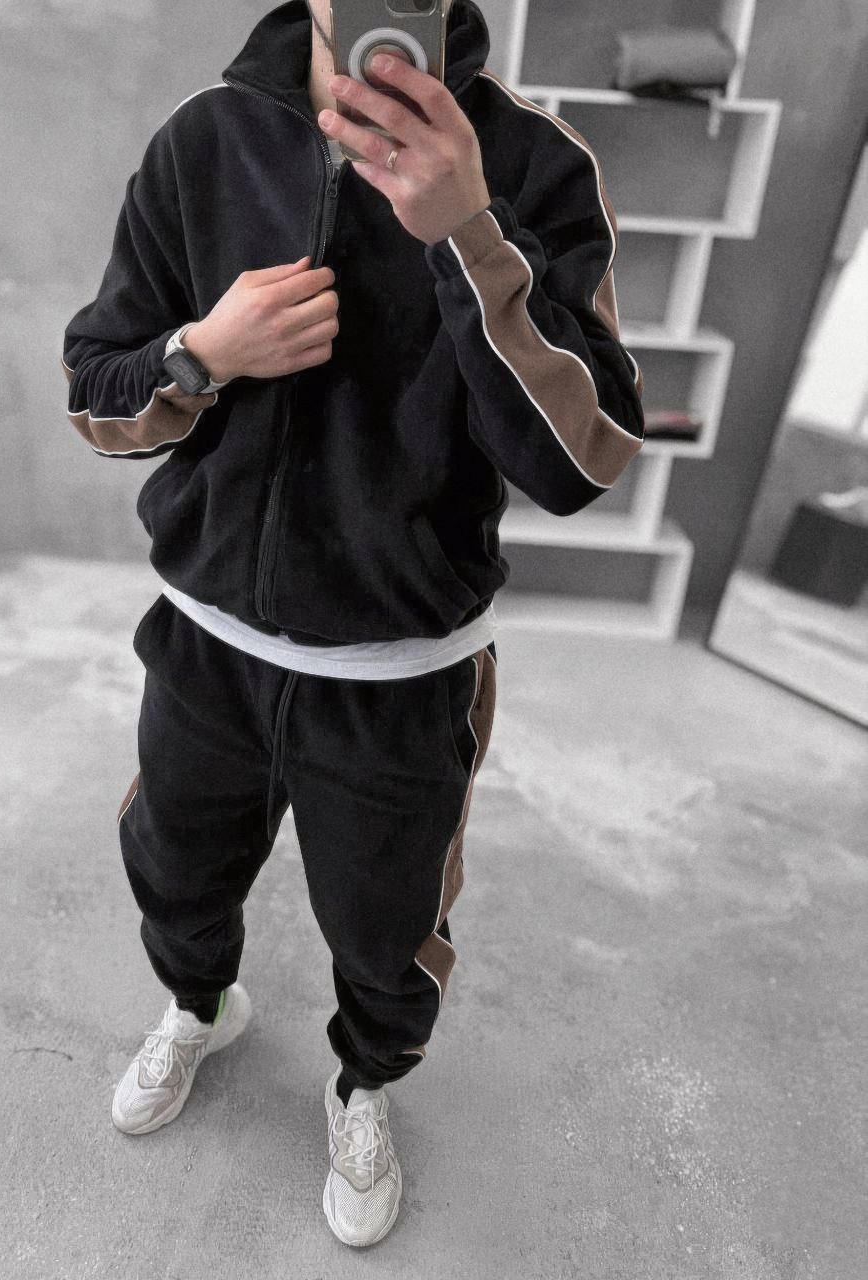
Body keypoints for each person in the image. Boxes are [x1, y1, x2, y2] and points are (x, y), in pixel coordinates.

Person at [61, 0, 645, 1249]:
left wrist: (467, 234)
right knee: (174, 870)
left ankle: (362, 1081)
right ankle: (199, 1007)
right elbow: (95, 391)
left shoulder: (533, 164)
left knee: (386, 931)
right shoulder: (204, 139)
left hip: (401, 672)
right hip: (206, 642)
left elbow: (584, 456)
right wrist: (202, 353)